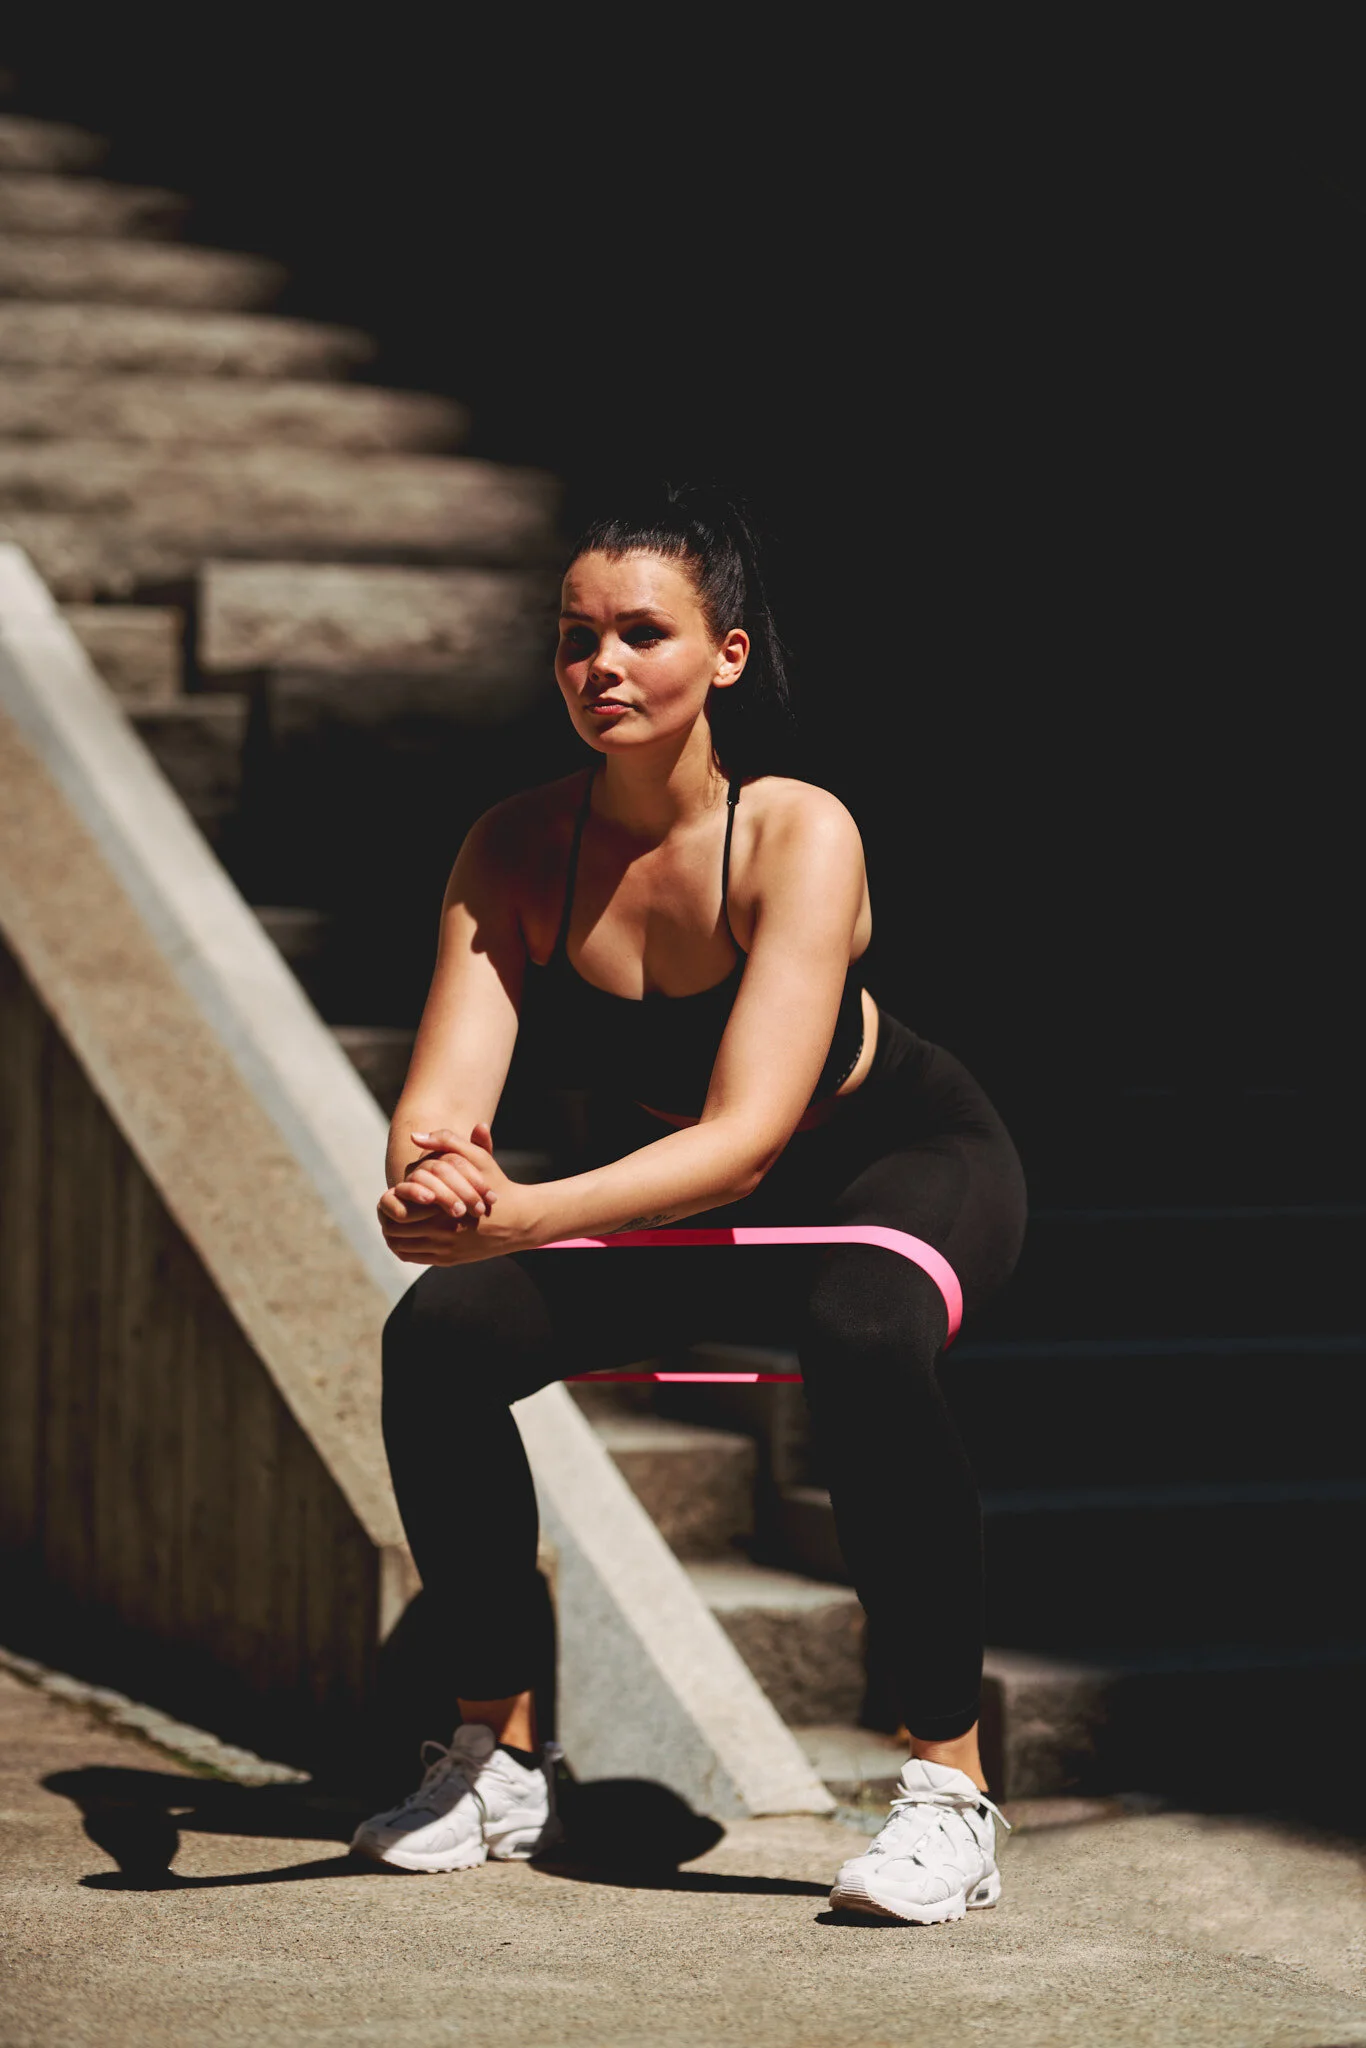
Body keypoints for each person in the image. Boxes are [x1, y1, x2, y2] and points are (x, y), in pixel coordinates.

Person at [349, 483, 1027, 1924]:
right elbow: (442, 1098)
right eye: (574, 636)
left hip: (890, 1163)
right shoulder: (514, 848)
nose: (600, 664)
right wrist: (434, 1181)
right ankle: (497, 1760)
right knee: (441, 1335)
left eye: (641, 634)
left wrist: (520, 1213)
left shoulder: (796, 833)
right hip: (688, 1194)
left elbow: (742, 1142)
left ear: (725, 654)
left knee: (861, 1329)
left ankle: (949, 1792)